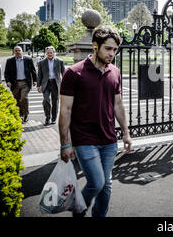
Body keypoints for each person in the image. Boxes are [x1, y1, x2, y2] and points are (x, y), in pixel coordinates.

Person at [58, 26, 132, 217]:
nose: (112, 54)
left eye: (115, 50)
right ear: (95, 46)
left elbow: (118, 105)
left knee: (106, 186)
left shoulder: (115, 72)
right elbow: (65, 110)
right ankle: (79, 210)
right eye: (108, 49)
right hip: (85, 140)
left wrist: (126, 133)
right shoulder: (74, 73)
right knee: (97, 183)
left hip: (109, 140)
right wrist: (65, 144)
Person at [4, 45, 37, 123]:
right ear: (14, 52)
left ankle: (26, 115)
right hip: (14, 83)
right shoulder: (10, 60)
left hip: (25, 82)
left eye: (19, 50)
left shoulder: (28, 59)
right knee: (17, 100)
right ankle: (20, 115)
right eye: (16, 50)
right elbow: (6, 73)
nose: (18, 52)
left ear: (22, 51)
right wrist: (7, 81)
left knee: (23, 98)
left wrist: (35, 80)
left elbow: (33, 70)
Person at [37, 46, 65, 125]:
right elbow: (39, 75)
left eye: (51, 52)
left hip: (55, 83)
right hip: (46, 84)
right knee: (46, 100)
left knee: (55, 101)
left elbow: (64, 74)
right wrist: (38, 85)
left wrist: (65, 84)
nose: (49, 54)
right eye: (48, 53)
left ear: (54, 53)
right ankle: (47, 117)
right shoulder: (41, 62)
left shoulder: (60, 61)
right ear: (46, 53)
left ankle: (53, 118)